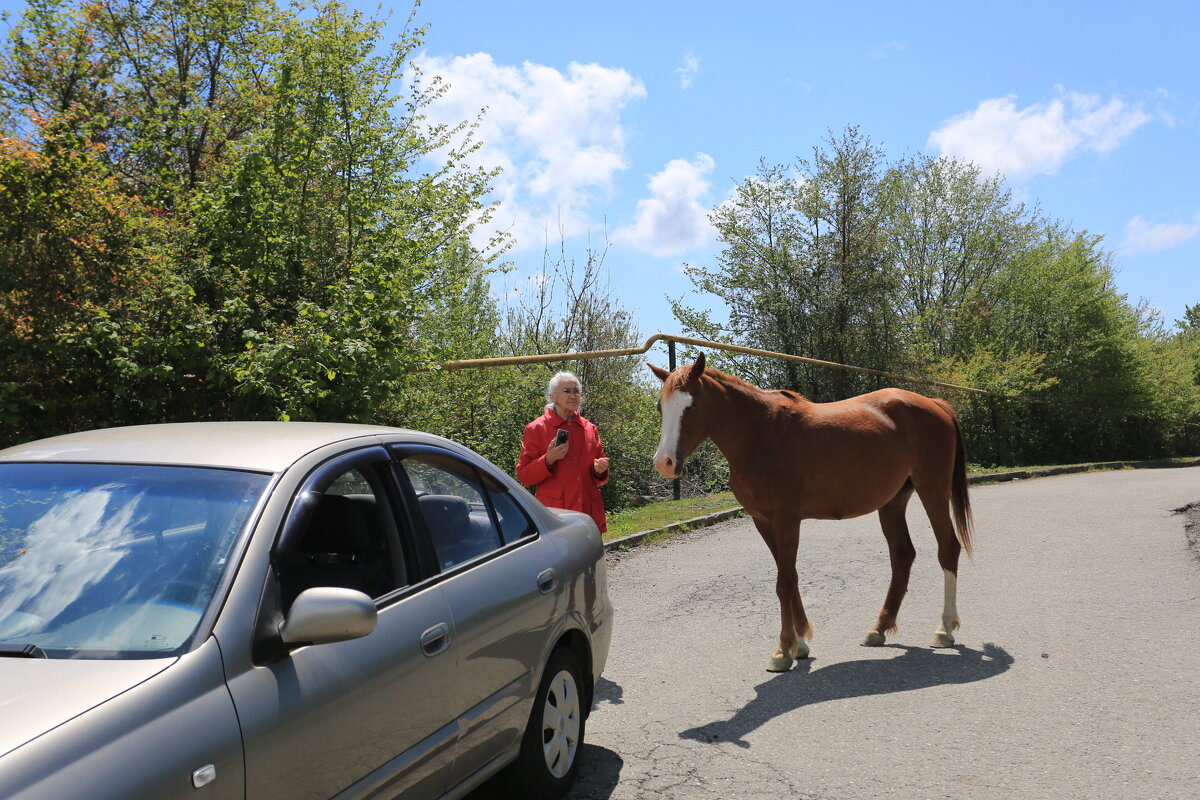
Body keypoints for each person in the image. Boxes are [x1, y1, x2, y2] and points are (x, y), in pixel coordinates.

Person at [517, 371, 610, 533]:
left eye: (576, 391)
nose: (573, 395)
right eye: (567, 391)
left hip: (588, 514)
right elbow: (524, 476)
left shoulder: (590, 428)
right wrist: (548, 459)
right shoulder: (536, 428)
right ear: (553, 397)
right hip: (556, 515)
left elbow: (600, 476)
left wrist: (600, 470)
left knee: (591, 558)